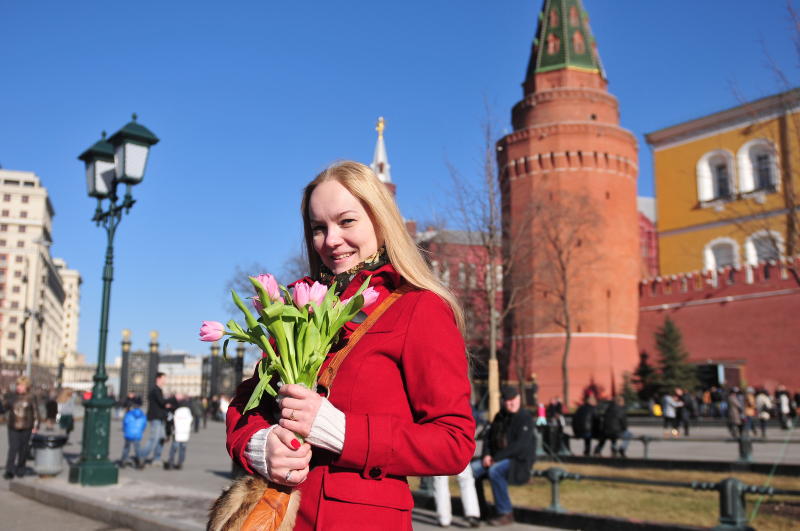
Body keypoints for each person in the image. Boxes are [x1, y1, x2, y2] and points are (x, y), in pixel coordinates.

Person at [224, 161, 475, 529]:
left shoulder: (418, 307)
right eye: (318, 228)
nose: (331, 240)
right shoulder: (296, 307)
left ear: (380, 219)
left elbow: (454, 442)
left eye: (346, 221)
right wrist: (260, 446)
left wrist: (342, 432)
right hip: (280, 518)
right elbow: (248, 405)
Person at [471, 385, 535, 526]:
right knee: (472, 471)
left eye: (513, 399)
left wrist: (496, 458)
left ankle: (505, 513)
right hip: (495, 458)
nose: (511, 403)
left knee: (495, 471)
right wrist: (486, 455)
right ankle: (479, 510)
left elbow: (520, 446)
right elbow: (488, 439)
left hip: (518, 461)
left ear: (519, 399)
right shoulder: (499, 416)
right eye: (507, 400)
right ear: (503, 402)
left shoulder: (525, 418)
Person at [4, 376, 39, 479]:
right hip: (13, 426)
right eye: (18, 384)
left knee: (23, 449)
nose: (19, 387)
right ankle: (9, 470)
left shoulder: (31, 397)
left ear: (27, 386)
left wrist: (35, 426)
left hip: (26, 426)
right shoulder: (12, 396)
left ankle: (20, 469)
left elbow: (36, 412)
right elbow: (4, 408)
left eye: (21, 385)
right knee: (13, 448)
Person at [139, 372, 172, 466]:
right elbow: (161, 402)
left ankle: (157, 458)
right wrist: (169, 402)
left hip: (160, 417)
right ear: (158, 379)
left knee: (161, 438)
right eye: (164, 378)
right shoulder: (155, 390)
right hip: (156, 417)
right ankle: (141, 456)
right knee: (154, 438)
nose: (165, 380)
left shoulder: (158, 390)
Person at [166, 394, 193, 470]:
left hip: (177, 432)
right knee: (183, 448)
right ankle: (180, 463)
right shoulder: (188, 412)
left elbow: (171, 421)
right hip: (185, 433)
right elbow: (191, 421)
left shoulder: (177, 411)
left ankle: (171, 462)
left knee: (174, 448)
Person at [121, 396, 147, 468]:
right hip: (137, 434)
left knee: (126, 448)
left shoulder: (129, 414)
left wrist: (125, 429)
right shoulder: (142, 415)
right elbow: (144, 424)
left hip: (129, 433)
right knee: (137, 448)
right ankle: (140, 461)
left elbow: (125, 422)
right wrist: (141, 430)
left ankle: (123, 461)